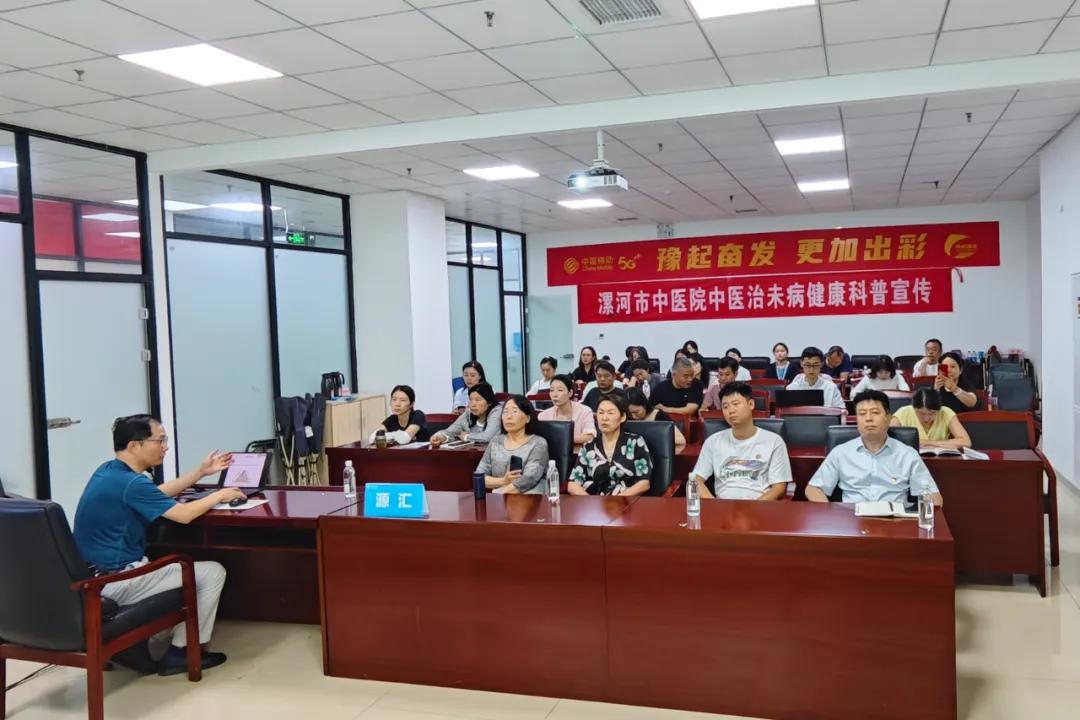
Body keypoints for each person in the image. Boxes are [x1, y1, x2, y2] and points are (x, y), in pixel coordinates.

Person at [72, 415, 244, 676]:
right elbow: (184, 515)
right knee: (212, 572)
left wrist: (200, 472)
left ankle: (141, 644)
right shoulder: (132, 482)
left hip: (91, 579)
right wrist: (220, 495)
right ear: (134, 445)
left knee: (172, 562)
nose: (165, 447)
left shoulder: (109, 472)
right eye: (160, 440)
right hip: (115, 581)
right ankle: (182, 653)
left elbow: (156, 494)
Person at [806, 390, 943, 506]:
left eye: (875, 412)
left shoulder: (907, 454)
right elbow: (813, 489)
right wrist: (834, 514)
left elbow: (935, 498)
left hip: (894, 521)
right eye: (862, 413)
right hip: (852, 520)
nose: (868, 418)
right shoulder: (841, 452)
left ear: (888, 418)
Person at [692, 383, 791, 500]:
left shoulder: (774, 441)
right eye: (725, 407)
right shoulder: (713, 441)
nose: (731, 410)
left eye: (735, 404)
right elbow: (696, 479)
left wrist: (755, 507)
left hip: (759, 505)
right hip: (722, 505)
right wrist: (715, 505)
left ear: (751, 404)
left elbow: (779, 487)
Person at [567, 394, 653, 496]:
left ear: (622, 417)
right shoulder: (589, 446)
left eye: (610, 413)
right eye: (600, 412)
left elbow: (644, 483)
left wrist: (617, 500)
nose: (604, 418)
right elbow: (573, 484)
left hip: (627, 500)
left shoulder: (635, 442)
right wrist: (590, 501)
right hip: (595, 501)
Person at [476, 395, 550, 494]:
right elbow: (479, 477)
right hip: (500, 497)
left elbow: (529, 479)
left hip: (529, 497)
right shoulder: (495, 441)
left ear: (528, 418)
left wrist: (499, 493)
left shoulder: (538, 443)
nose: (508, 417)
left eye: (514, 412)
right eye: (505, 412)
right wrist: (504, 481)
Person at [891, 388, 972, 449]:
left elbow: (965, 442)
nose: (926, 419)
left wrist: (928, 443)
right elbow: (887, 438)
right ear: (914, 408)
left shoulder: (946, 412)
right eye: (921, 413)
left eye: (932, 413)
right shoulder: (904, 412)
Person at [431, 382, 503, 445]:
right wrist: (440, 436)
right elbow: (450, 431)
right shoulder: (468, 413)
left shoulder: (497, 411)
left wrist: (466, 436)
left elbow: (487, 437)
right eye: (471, 399)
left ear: (489, 402)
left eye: (477, 400)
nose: (473, 404)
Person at [538, 374, 597, 445]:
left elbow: (589, 436)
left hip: (578, 450)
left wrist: (564, 440)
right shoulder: (543, 416)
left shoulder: (585, 411)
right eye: (552, 390)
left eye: (560, 390)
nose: (555, 394)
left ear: (570, 393)